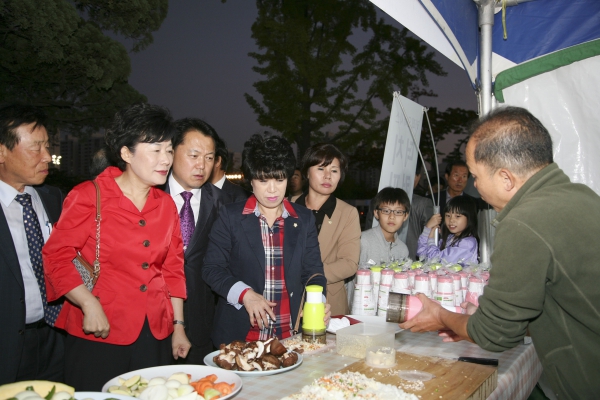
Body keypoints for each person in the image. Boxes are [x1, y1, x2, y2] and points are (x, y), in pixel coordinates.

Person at [400, 106, 600, 399]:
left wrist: (442, 316)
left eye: (476, 176)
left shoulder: (524, 221)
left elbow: (495, 334)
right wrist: (477, 318)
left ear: (506, 178)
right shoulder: (582, 196)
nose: (475, 186)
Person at [43, 104, 190, 390]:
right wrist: (88, 302)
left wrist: (178, 327)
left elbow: (173, 269)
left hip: (154, 333)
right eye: (155, 150)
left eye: (169, 150)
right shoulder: (89, 196)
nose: (166, 160)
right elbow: (56, 257)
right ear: (126, 153)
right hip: (99, 329)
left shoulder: (167, 205)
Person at [202, 134, 329, 345]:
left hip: (291, 336)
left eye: (279, 180)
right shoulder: (230, 216)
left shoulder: (304, 218)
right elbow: (212, 268)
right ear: (251, 181)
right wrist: (245, 294)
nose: (272, 189)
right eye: (263, 180)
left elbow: (313, 272)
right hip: (242, 337)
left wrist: (318, 302)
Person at [0, 103, 65, 385]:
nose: (47, 157)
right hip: (8, 346)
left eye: (47, 147)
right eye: (35, 148)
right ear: (2, 151)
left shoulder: (55, 199)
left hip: (58, 337)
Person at [162, 118, 230, 364]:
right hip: (152, 320)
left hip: (203, 321)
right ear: (172, 151)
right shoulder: (149, 194)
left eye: (209, 158)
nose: (202, 165)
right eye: (194, 155)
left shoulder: (225, 203)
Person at [294, 144, 360, 316]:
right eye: (321, 168)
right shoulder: (287, 207)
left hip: (329, 304)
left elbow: (349, 263)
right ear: (307, 172)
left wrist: (309, 274)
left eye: (334, 170)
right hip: (288, 300)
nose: (327, 176)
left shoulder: (348, 213)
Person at [416, 195, 479, 264]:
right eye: (448, 216)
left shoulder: (467, 243)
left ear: (469, 218)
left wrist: (431, 240)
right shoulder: (450, 238)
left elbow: (436, 261)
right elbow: (422, 254)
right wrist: (427, 229)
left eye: (457, 216)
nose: (451, 220)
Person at [360, 187, 410, 265]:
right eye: (386, 211)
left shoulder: (403, 249)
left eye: (398, 212)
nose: (392, 216)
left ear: (405, 216)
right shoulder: (363, 241)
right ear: (376, 213)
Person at [406, 160, 434, 260]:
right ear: (416, 177)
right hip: (415, 266)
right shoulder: (424, 203)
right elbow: (431, 239)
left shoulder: (376, 202)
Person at [210, 134, 249, 202]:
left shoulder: (241, 198)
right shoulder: (194, 193)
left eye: (207, 157)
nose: (200, 164)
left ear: (218, 161)